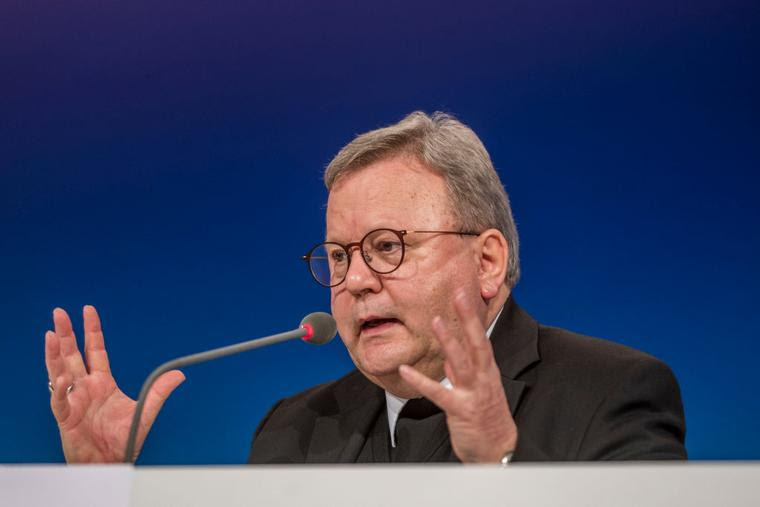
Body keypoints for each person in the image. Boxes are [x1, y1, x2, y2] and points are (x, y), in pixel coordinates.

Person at [45, 111, 686, 464]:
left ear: (488, 261)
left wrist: (502, 469)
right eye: (337, 257)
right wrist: (102, 492)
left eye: (387, 247)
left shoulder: (613, 393)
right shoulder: (292, 431)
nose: (353, 282)